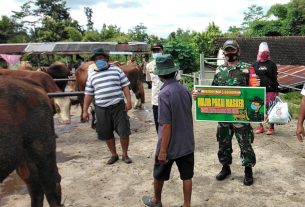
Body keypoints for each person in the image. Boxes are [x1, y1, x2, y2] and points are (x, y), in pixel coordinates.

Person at [193, 40, 256, 186]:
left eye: (232, 50)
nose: (229, 53)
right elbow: (212, 91)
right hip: (223, 116)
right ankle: (225, 168)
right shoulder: (219, 70)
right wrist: (199, 95)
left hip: (241, 115)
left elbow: (254, 92)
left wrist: (256, 87)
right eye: (227, 51)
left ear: (238, 52)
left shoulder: (247, 69)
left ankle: (248, 170)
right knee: (223, 144)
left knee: (245, 143)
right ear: (224, 52)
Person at [142, 54, 194, 207]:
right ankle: (187, 204)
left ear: (160, 75)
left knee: (159, 174)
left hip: (169, 144)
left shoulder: (164, 94)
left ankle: (156, 200)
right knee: (187, 176)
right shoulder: (185, 90)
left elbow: (165, 125)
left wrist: (163, 150)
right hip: (187, 143)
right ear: (174, 71)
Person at [82, 48, 133, 165]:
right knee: (106, 133)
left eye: (101, 58)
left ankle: (125, 154)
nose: (99, 60)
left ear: (106, 58)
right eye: (96, 59)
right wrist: (84, 110)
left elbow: (125, 86)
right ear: (94, 61)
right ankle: (114, 155)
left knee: (124, 132)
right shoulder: (92, 76)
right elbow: (88, 94)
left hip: (118, 106)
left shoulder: (117, 71)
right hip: (101, 108)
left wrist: (129, 101)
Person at [146, 42, 181, 132]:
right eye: (154, 50)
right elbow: (150, 81)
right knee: (159, 126)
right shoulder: (149, 66)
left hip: (171, 99)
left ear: (162, 50)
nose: (156, 52)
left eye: (158, 50)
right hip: (156, 100)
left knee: (173, 125)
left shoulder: (171, 64)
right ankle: (162, 144)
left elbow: (178, 82)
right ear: (151, 52)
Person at [252, 42, 279, 135]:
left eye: (265, 53)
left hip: (270, 90)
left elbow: (275, 78)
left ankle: (271, 127)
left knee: (270, 108)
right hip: (258, 90)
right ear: (259, 53)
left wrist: (276, 90)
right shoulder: (254, 64)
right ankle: (261, 126)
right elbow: (252, 78)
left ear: (268, 53)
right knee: (257, 108)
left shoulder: (272, 64)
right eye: (262, 53)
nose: (264, 55)